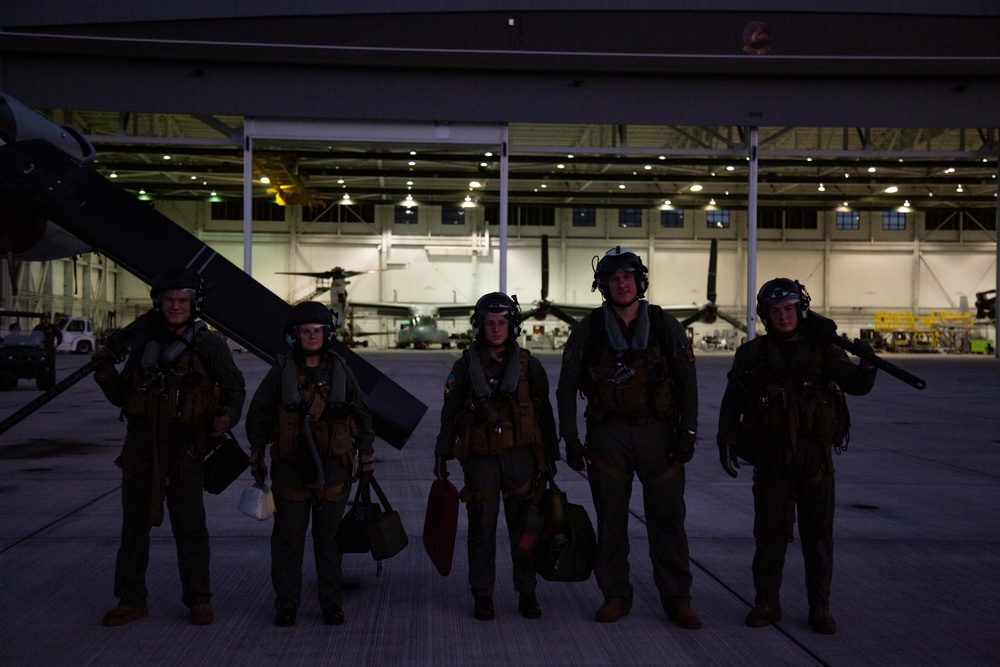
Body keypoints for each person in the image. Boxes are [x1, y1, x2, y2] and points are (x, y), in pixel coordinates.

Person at [716, 278, 878, 635]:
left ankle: (819, 606)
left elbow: (855, 384)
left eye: (789, 309)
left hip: (815, 460)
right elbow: (732, 401)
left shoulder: (823, 350)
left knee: (818, 537)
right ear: (765, 315)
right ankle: (766, 602)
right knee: (769, 537)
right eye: (775, 311)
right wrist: (725, 438)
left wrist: (867, 365)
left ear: (800, 310)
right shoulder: (752, 354)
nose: (783, 317)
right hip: (771, 460)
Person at [556, 247, 701, 629]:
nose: (621, 284)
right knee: (611, 522)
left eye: (628, 277)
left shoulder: (665, 324)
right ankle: (615, 596)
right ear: (602, 284)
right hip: (608, 437)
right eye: (613, 278)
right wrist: (570, 438)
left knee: (669, 521)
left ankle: (678, 599)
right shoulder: (588, 329)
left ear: (639, 281)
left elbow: (687, 383)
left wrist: (688, 431)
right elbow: (566, 387)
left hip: (658, 435)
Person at [93, 267, 246, 627]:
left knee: (191, 528)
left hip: (186, 454)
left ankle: (199, 600)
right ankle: (131, 600)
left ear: (193, 304)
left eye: (182, 300)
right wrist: (104, 373)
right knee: (133, 529)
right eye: (169, 300)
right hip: (140, 454)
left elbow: (235, 388)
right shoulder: (143, 345)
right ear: (158, 303)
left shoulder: (210, 345)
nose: (175, 306)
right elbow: (122, 396)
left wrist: (228, 416)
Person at [245, 301, 375, 627]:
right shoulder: (281, 372)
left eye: (317, 331)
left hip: (333, 470)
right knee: (288, 540)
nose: (312, 337)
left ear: (326, 334)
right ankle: (287, 604)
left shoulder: (341, 371)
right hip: (291, 470)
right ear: (295, 336)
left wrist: (367, 454)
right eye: (305, 331)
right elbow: (259, 413)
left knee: (329, 541)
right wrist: (257, 453)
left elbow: (362, 414)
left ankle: (332, 604)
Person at [434, 292, 558, 621]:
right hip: (481, 461)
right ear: (479, 326)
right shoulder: (463, 368)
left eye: (503, 322)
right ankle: (483, 594)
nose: (496, 329)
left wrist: (552, 456)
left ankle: (527, 592)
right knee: (482, 529)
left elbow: (545, 414)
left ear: (512, 325)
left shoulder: (529, 367)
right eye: (490, 323)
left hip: (521, 459)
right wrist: (442, 451)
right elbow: (449, 411)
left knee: (526, 528)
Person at [34, 311, 62, 385]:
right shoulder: (39, 327)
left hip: (50, 348)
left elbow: (60, 336)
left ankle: (51, 383)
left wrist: (57, 344)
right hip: (41, 347)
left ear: (50, 319)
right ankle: (41, 381)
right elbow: (33, 336)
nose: (46, 319)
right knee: (41, 365)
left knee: (51, 366)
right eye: (45, 318)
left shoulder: (53, 327)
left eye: (47, 318)